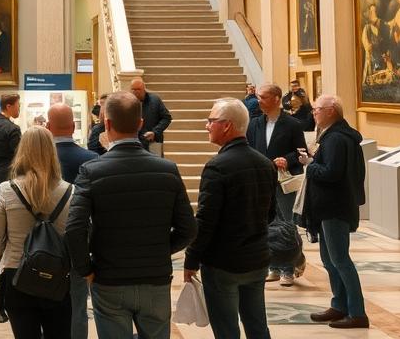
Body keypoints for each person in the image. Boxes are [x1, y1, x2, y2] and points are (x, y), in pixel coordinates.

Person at [66, 92, 196, 339]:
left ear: (106, 123)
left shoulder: (91, 171)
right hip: (155, 278)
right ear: (140, 124)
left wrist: (85, 270)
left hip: (109, 277)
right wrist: (159, 250)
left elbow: (74, 229)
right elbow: (188, 229)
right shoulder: (167, 170)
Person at [184, 98, 276, 339]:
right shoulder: (265, 164)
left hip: (223, 263)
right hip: (257, 259)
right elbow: (271, 213)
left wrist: (191, 259)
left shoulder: (217, 166)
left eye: (211, 120)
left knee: (226, 330)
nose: (206, 126)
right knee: (257, 326)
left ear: (226, 126)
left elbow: (205, 221)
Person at [0, 127, 72, 338]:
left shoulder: (6, 190)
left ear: (21, 151)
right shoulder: (71, 191)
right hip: (57, 277)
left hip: (17, 276)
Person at [300, 95, 369, 330]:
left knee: (340, 260)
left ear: (331, 111)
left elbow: (331, 173)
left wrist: (309, 164)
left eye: (317, 109)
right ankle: (339, 305)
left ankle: (357, 313)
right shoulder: (333, 136)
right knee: (329, 260)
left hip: (335, 207)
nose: (313, 113)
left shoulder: (337, 139)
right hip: (328, 206)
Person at [247, 84, 307, 286]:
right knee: (266, 225)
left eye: (262, 97)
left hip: (283, 182)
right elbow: (248, 149)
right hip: (262, 182)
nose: (258, 101)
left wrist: (287, 160)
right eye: (258, 97)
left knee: (286, 225)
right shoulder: (254, 124)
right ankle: (272, 265)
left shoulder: (292, 124)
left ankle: (288, 268)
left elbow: (301, 153)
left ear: (276, 99)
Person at [47, 103, 97, 339]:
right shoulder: (91, 159)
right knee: (78, 305)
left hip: (43, 243)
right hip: (79, 242)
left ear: (48, 127)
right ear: (74, 126)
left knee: (45, 303)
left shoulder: (39, 160)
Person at [130, 78, 172, 153]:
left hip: (154, 141)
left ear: (144, 89)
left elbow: (166, 118)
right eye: (133, 89)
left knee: (157, 163)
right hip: (134, 143)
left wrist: (155, 132)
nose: (135, 92)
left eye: (138, 89)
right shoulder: (127, 103)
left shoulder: (155, 100)